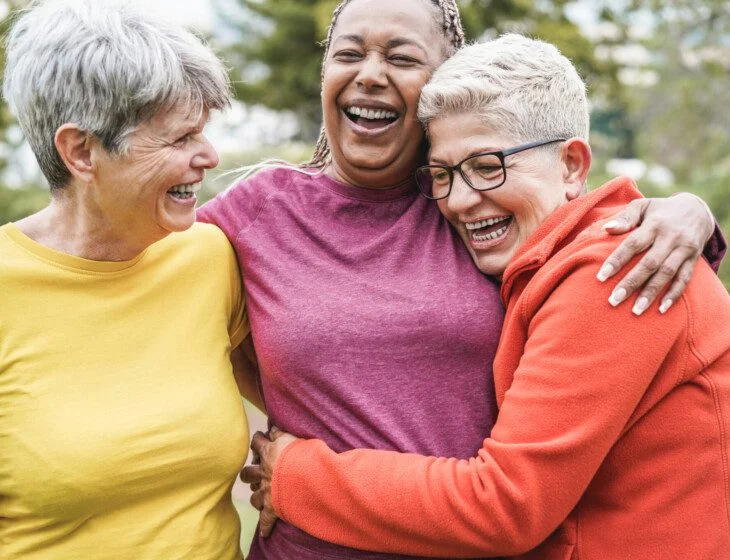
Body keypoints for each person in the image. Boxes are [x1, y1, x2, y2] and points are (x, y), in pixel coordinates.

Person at [198, 0, 723, 558]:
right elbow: (149, 278)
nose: (464, 194)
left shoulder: (534, 238)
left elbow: (507, 503)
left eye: (401, 57)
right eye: (348, 53)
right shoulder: (261, 214)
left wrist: (689, 213)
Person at [0, 1, 251, 558]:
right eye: (179, 138)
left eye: (204, 132)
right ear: (81, 151)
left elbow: (302, 403)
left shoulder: (209, 257)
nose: (208, 156)